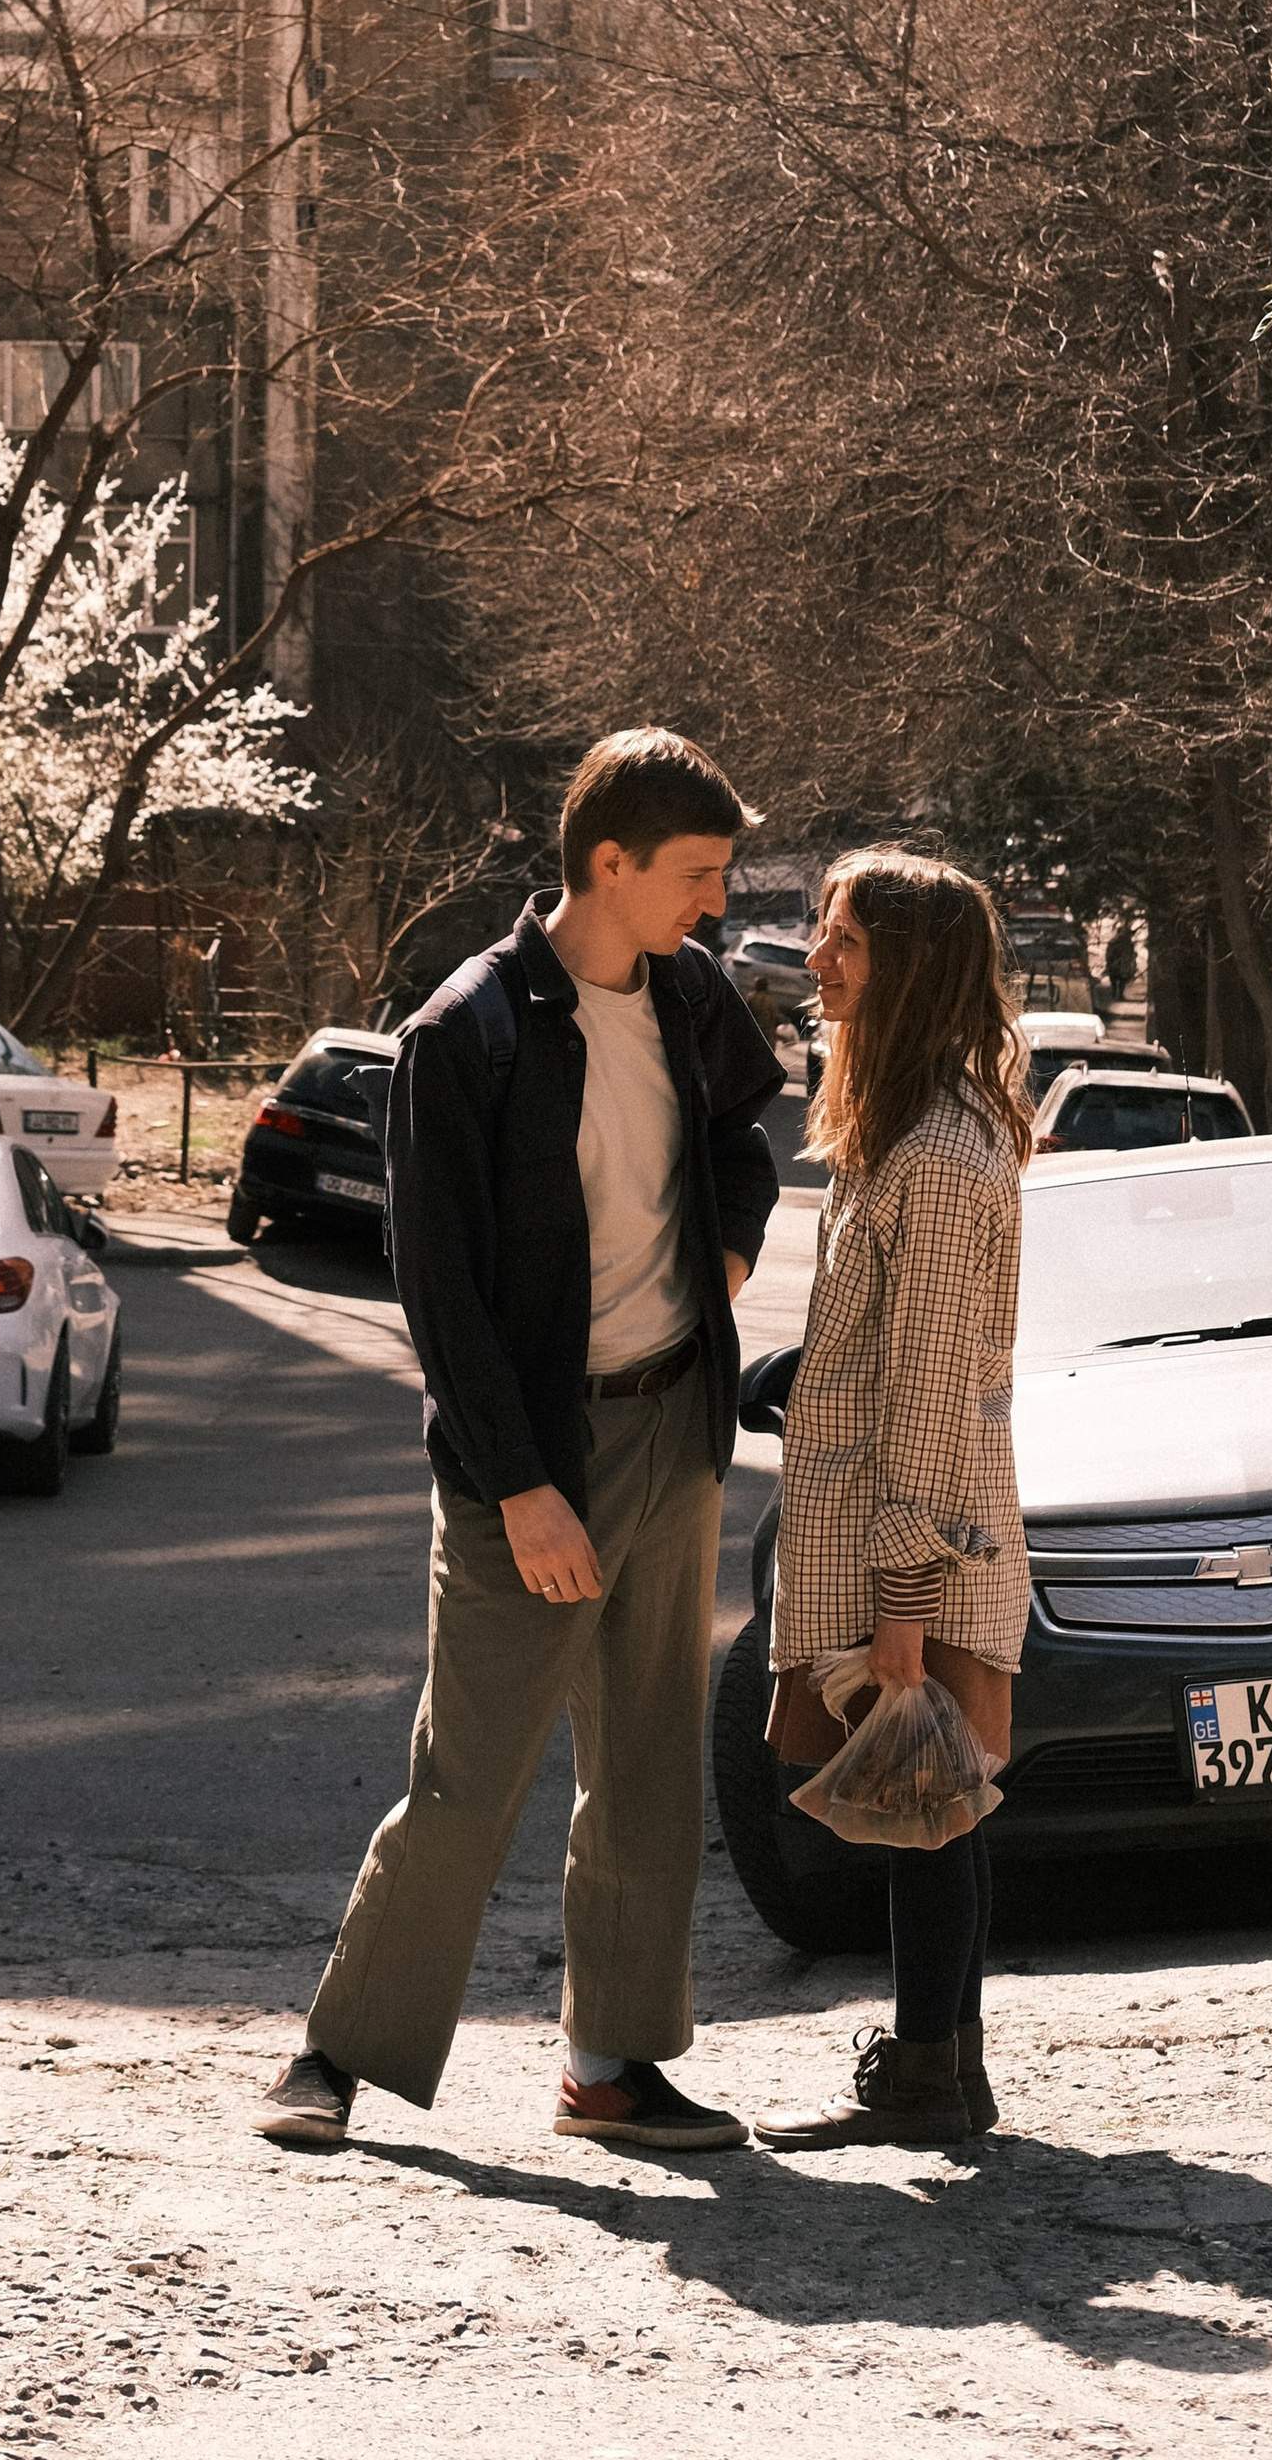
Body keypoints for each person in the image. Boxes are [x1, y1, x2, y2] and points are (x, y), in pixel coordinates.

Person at [256, 728, 786, 2154]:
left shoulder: (687, 997)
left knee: (651, 1765)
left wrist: (724, 1260)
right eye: (696, 875)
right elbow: (442, 1294)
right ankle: (334, 2055)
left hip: (672, 1425)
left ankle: (611, 2069)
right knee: (469, 1771)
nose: (716, 905)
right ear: (607, 864)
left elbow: (750, 1137)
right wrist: (525, 1491)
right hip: (529, 1460)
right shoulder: (465, 1031)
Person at [754, 850, 1032, 2151]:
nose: (816, 958)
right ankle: (942, 2069)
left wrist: (907, 1611)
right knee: (930, 1814)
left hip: (908, 1549)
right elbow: (896, 1351)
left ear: (908, 968)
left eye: (842, 939)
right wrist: (800, 1375)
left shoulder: (935, 1151)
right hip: (897, 1531)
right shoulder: (912, 1129)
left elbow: (925, 1393)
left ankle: (932, 2076)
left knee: (925, 1811)